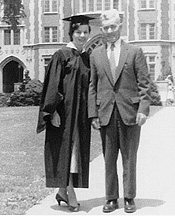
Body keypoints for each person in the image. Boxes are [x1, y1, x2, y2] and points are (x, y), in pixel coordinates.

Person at [88, 9, 151, 213]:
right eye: (105, 28)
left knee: (129, 157)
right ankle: (111, 198)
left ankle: (129, 197)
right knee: (109, 158)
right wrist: (93, 114)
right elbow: (92, 86)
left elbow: (144, 84)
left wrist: (143, 109)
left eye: (112, 27)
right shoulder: (96, 54)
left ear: (120, 27)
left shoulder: (134, 52)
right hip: (105, 112)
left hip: (130, 112)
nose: (109, 31)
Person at [36, 14, 94, 212]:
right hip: (63, 115)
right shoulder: (61, 55)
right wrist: (51, 112)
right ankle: (70, 192)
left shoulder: (86, 57)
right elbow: (52, 86)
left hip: (80, 116)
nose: (82, 35)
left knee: (74, 153)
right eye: (78, 32)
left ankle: (62, 191)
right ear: (72, 33)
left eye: (85, 32)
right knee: (64, 153)